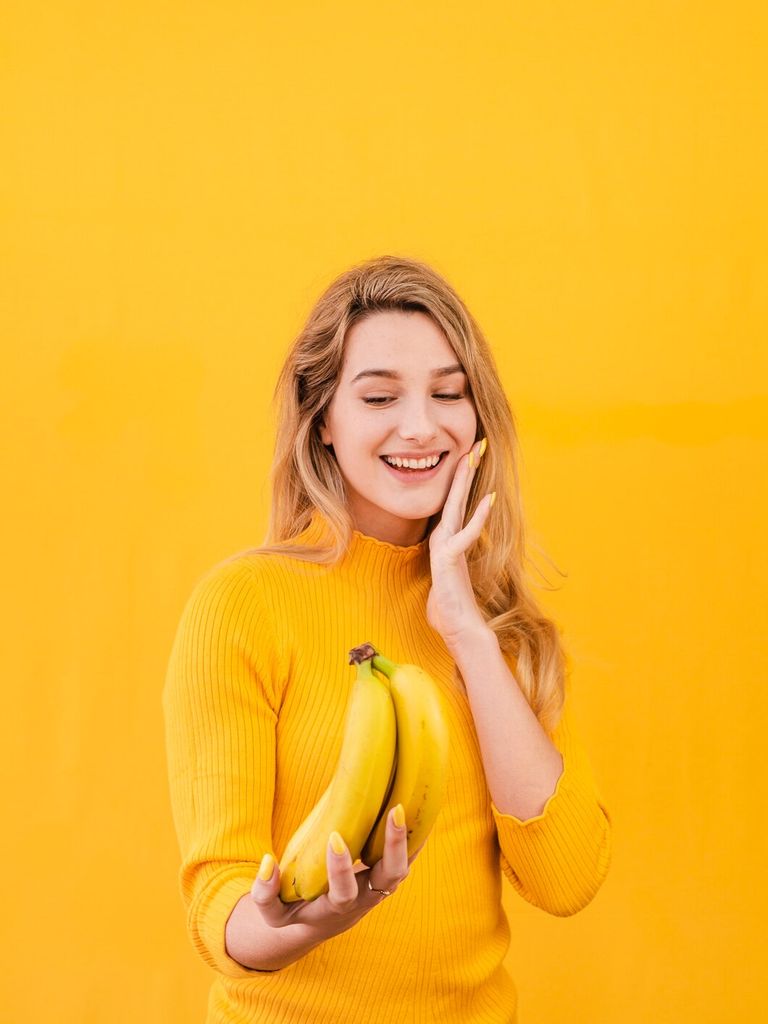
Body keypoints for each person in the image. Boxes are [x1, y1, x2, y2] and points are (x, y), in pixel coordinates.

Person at [162, 254, 612, 1023]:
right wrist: (287, 926)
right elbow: (219, 899)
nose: (420, 425)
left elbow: (566, 880)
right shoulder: (242, 606)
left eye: (448, 393)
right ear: (323, 422)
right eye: (378, 396)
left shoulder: (505, 628)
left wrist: (467, 630)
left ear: (478, 418)